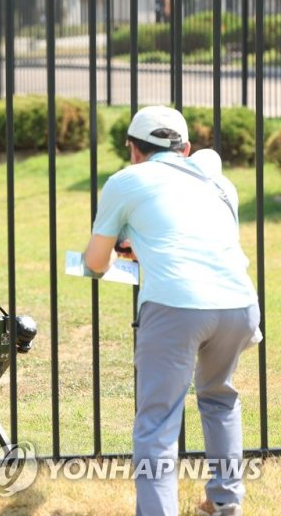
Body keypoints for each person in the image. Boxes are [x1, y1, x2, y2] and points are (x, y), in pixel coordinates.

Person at [83, 106, 260, 516]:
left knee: (158, 424)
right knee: (220, 398)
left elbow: (95, 261)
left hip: (177, 307)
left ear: (133, 149)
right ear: (185, 148)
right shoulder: (220, 185)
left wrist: (123, 252)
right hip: (239, 304)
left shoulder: (127, 181)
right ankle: (225, 503)